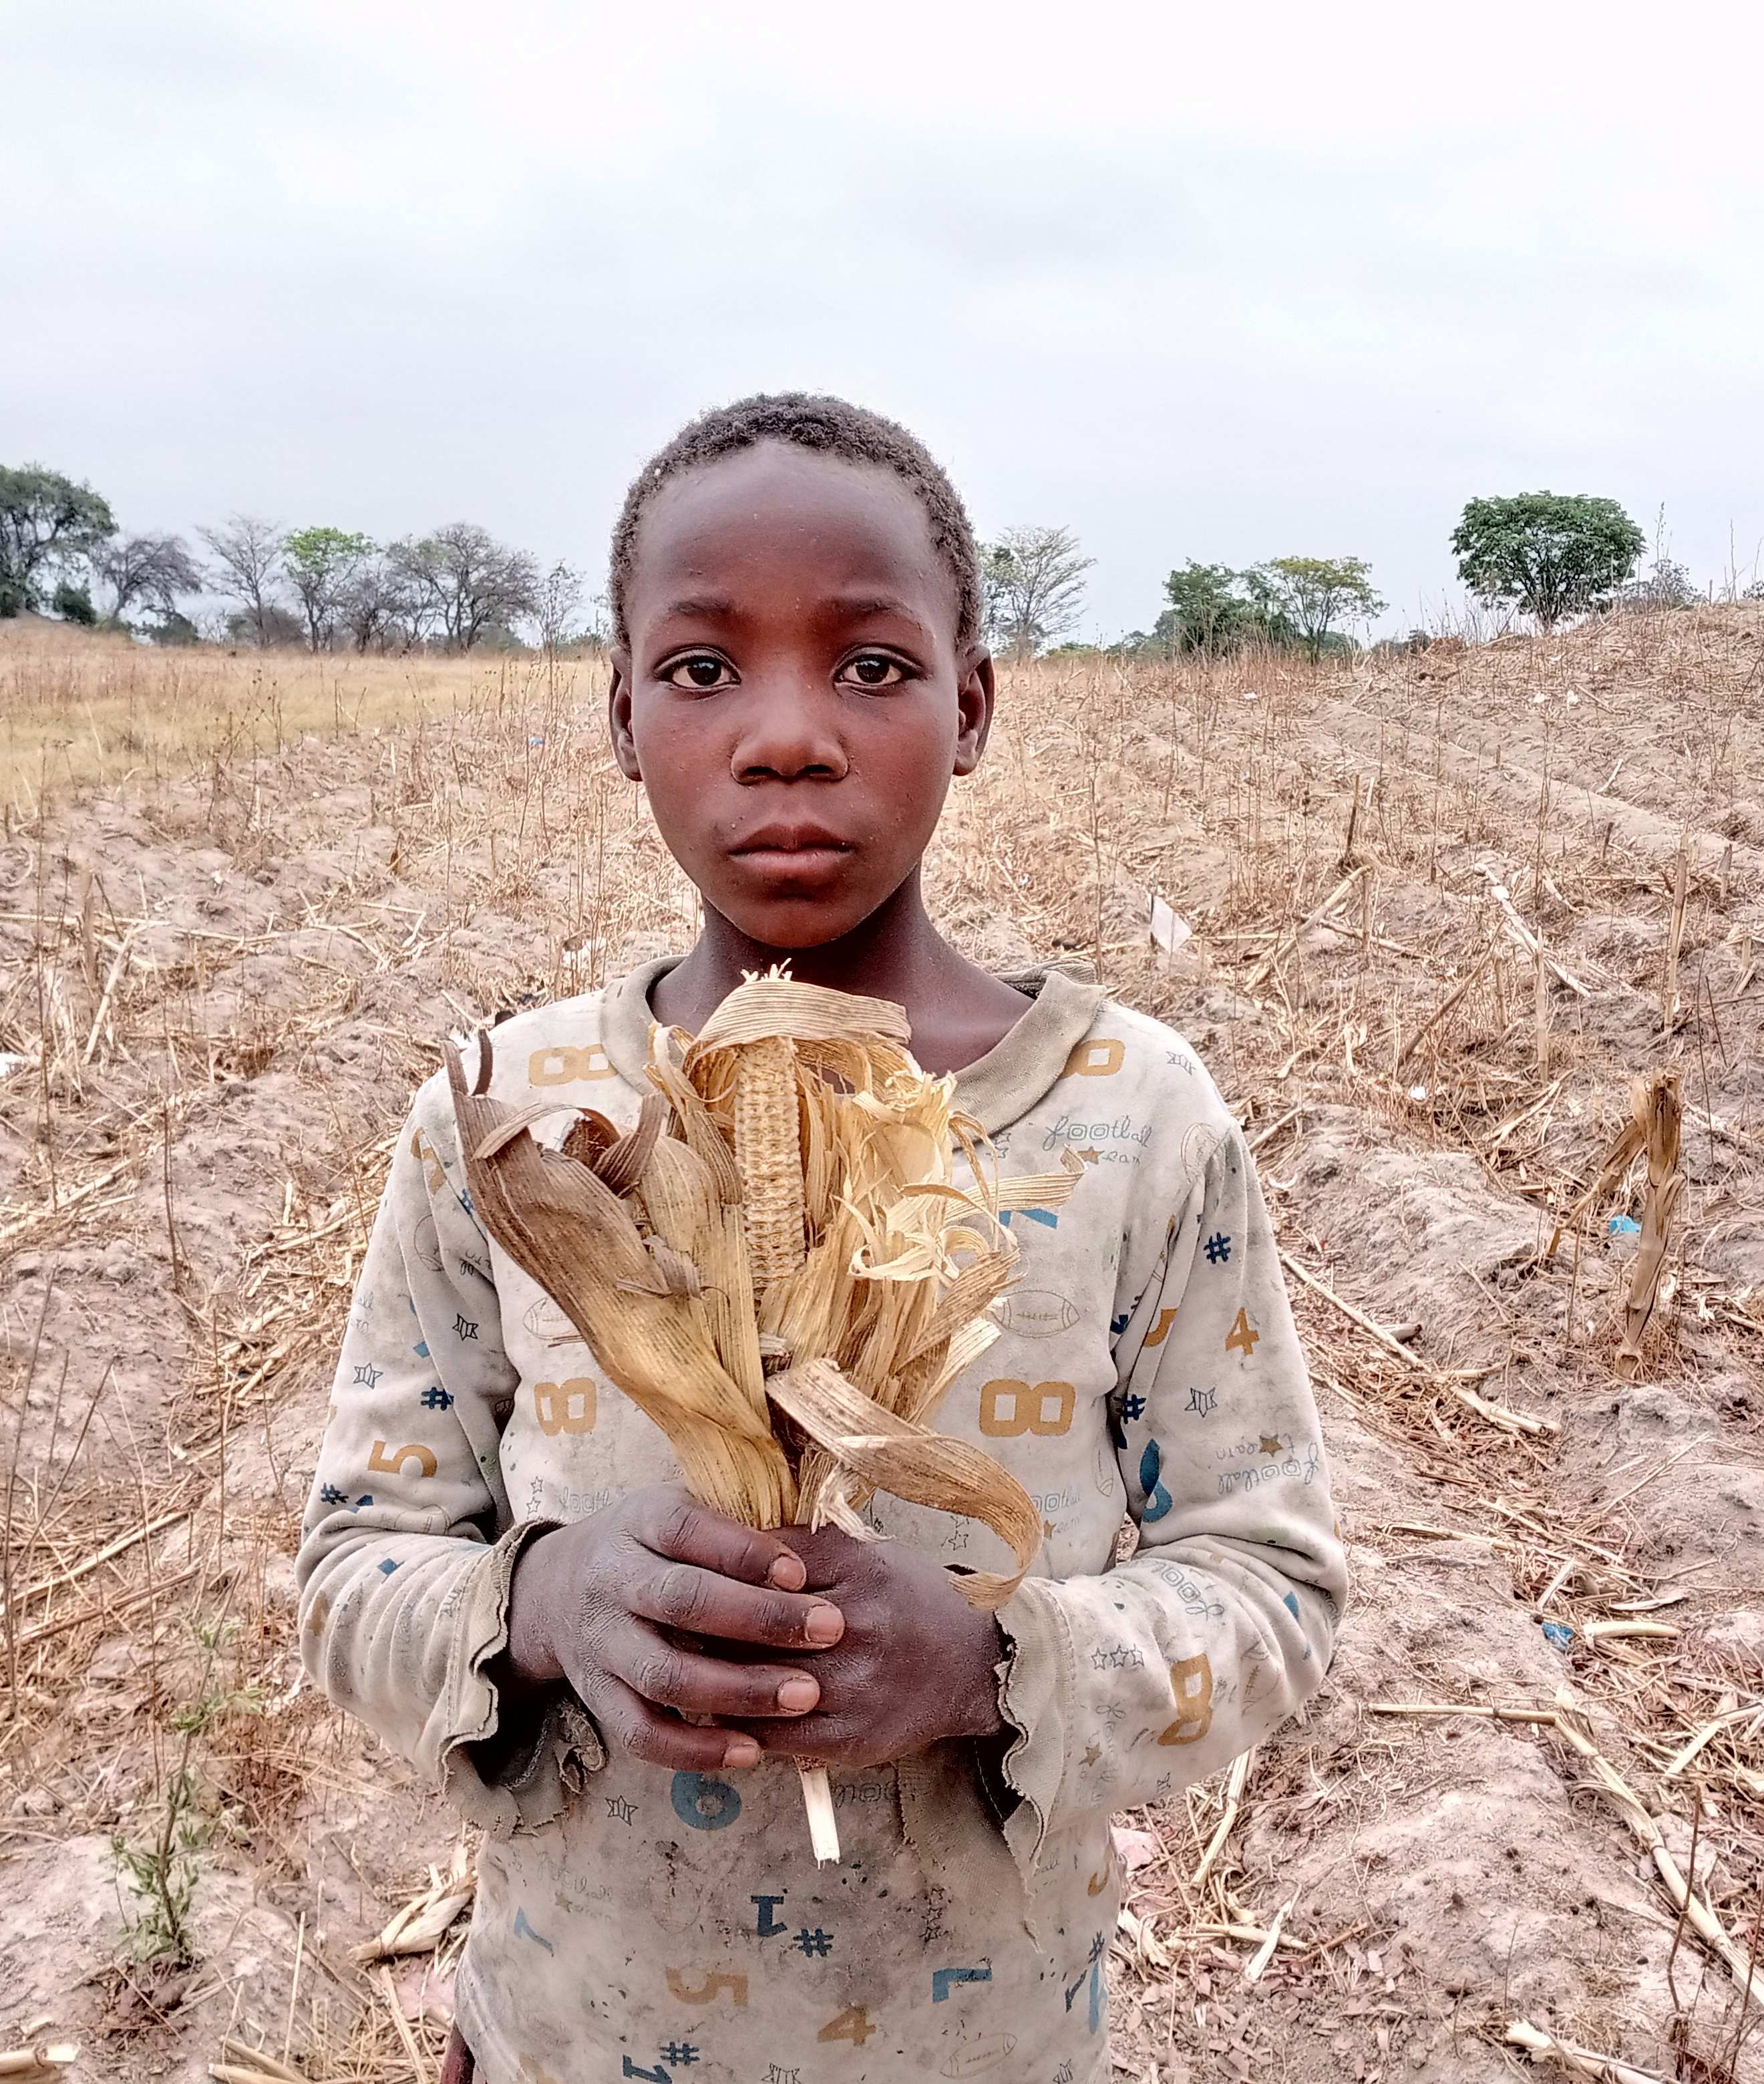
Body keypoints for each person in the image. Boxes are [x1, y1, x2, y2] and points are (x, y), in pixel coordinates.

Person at [298, 394, 1345, 2084]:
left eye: (869, 666)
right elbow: (356, 1568)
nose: (787, 737)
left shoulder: (1133, 1118)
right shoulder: (514, 1124)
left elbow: (1271, 1584)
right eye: (706, 670)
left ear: (973, 705)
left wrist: (996, 1666)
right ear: (623, 717)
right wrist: (550, 1605)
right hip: (572, 2036)